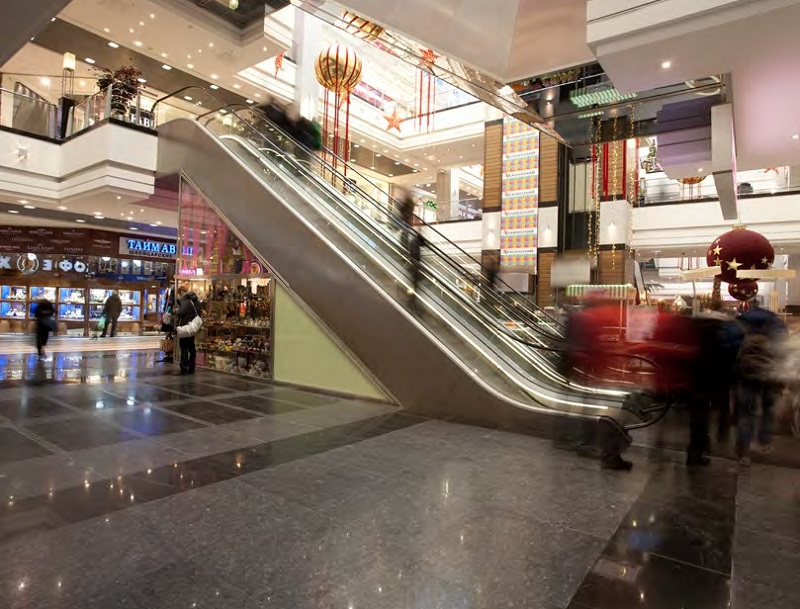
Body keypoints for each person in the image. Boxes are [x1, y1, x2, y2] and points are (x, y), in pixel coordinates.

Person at [175, 285, 200, 374]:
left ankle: (184, 366)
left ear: (181, 292)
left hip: (185, 328)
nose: (179, 296)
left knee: (184, 348)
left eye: (179, 294)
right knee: (191, 347)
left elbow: (182, 312)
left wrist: (177, 311)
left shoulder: (185, 300)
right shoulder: (192, 300)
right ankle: (191, 366)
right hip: (191, 327)